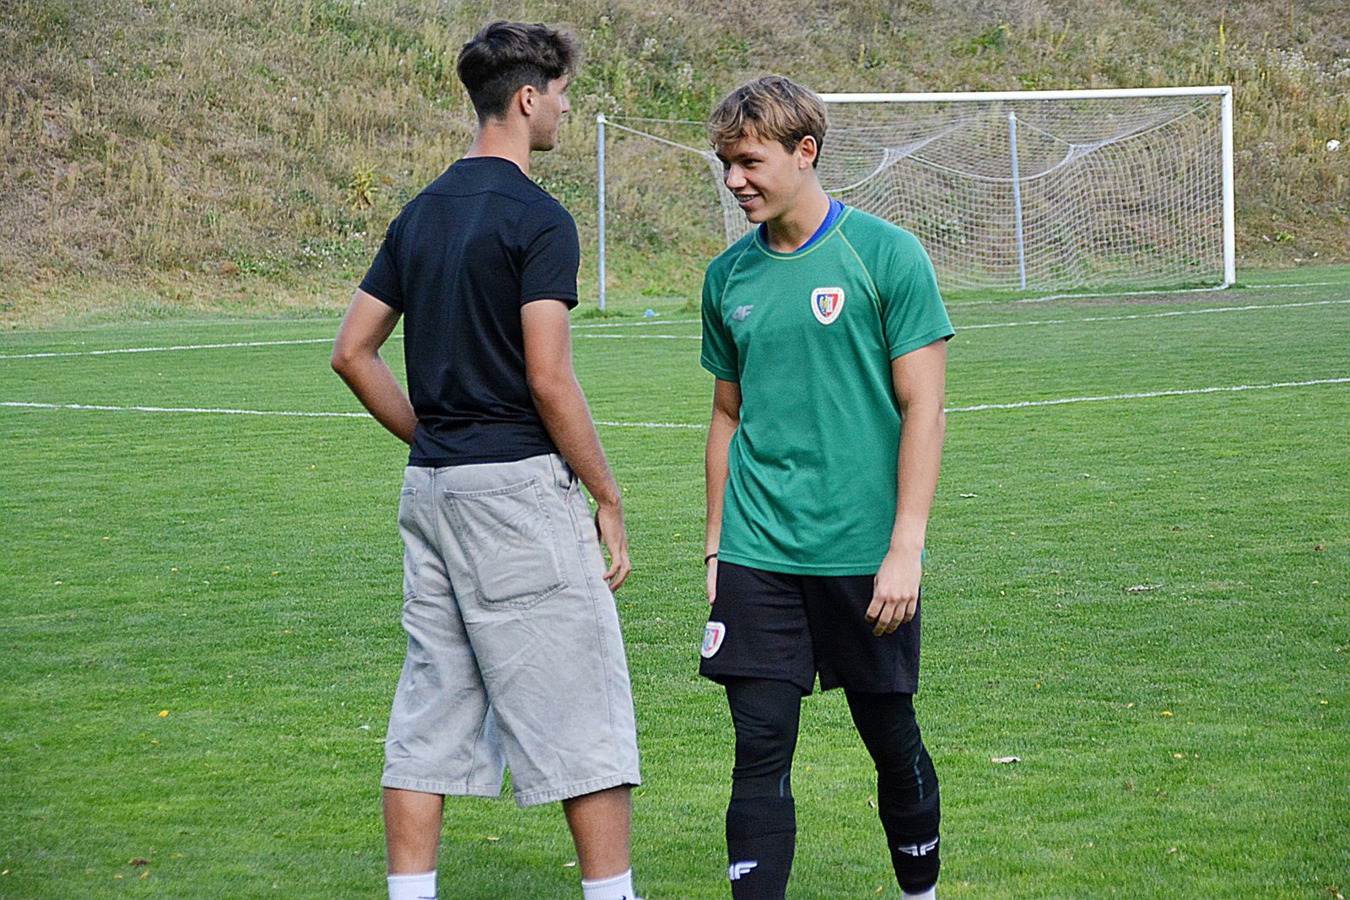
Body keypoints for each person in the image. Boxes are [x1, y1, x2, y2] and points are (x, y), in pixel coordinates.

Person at [330, 21, 640, 900]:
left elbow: (352, 351)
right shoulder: (539, 219)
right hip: (515, 500)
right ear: (528, 98)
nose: (567, 110)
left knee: (428, 716)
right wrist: (607, 495)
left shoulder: (420, 212)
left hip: (430, 493)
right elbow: (549, 377)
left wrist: (435, 437)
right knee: (581, 710)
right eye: (563, 96)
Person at [697, 76, 954, 900]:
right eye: (726, 163)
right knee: (759, 747)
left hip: (862, 552)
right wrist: (716, 548)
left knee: (890, 735)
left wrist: (905, 548)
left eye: (749, 161)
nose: (734, 179)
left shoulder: (885, 256)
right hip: (759, 550)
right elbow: (727, 416)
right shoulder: (726, 277)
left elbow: (924, 409)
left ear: (804, 152)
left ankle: (920, 891)